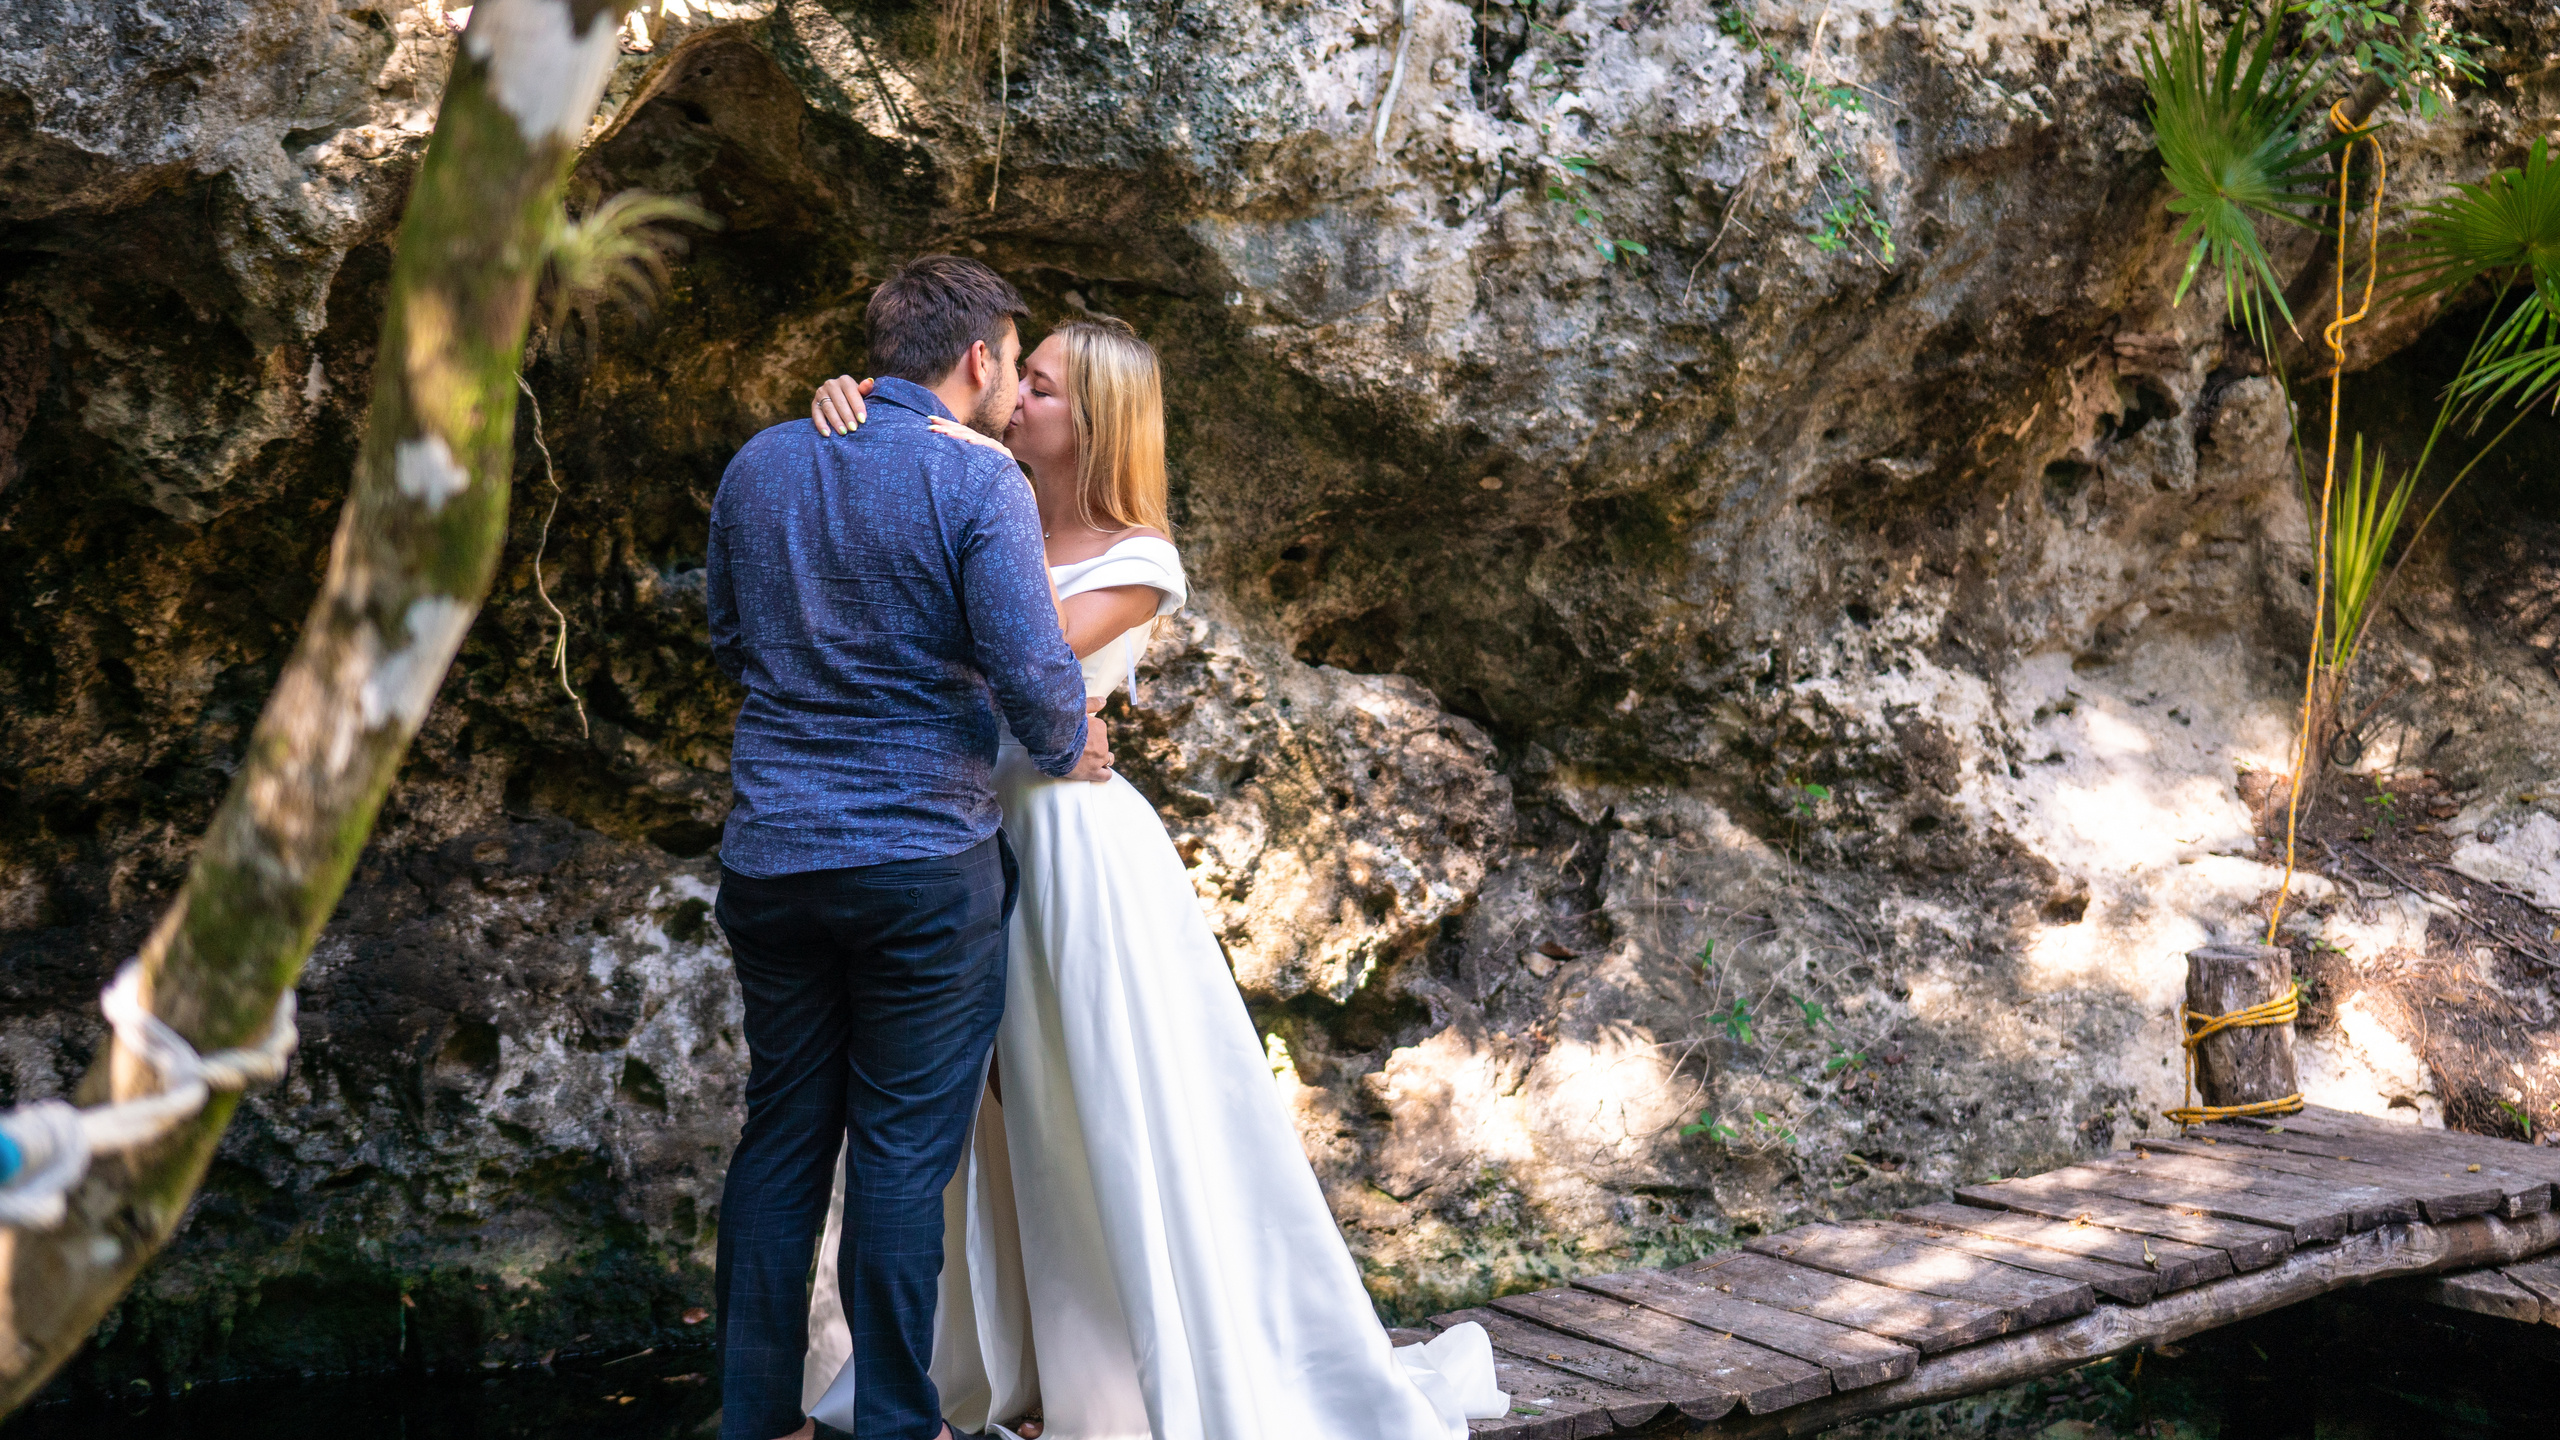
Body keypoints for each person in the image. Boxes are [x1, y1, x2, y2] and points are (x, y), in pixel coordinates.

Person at [795, 316, 1507, 1439]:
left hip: (1072, 850)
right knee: (975, 1112)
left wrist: (941, 456)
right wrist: (865, 415)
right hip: (952, 835)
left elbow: (989, 661)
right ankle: (1003, 1368)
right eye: (1017, 379)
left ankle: (1112, 1380)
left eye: (1038, 388)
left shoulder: (1139, 560)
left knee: (1090, 1106)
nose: (1013, 400)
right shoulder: (978, 499)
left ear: (1094, 422)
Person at [705, 256, 1114, 1440]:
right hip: (921, 864)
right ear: (980, 357)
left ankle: (755, 1418)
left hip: (773, 856)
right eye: (1012, 363)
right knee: (897, 1147)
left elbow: (732, 639)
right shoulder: (976, 480)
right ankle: (893, 1420)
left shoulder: (761, 461)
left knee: (782, 1131)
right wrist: (1064, 741)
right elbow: (1036, 671)